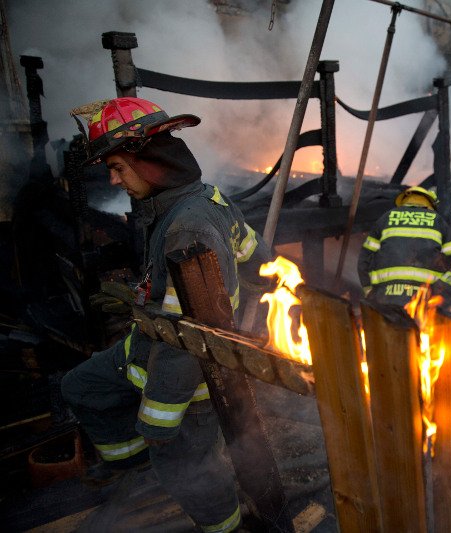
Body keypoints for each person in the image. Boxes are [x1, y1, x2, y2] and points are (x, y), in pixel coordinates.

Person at [61, 97, 269, 533]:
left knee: (188, 474)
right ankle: (136, 462)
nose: (114, 180)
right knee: (80, 386)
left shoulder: (187, 225)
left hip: (185, 377)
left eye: (118, 167)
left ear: (150, 160)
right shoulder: (204, 198)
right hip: (148, 346)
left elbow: (184, 340)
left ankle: (224, 527)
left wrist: (159, 420)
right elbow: (259, 260)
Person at [358, 186, 451, 307]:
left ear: (403, 202)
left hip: (385, 296)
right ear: (430, 205)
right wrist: (442, 294)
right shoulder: (438, 222)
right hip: (425, 299)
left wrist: (370, 291)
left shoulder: (386, 218)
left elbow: (364, 260)